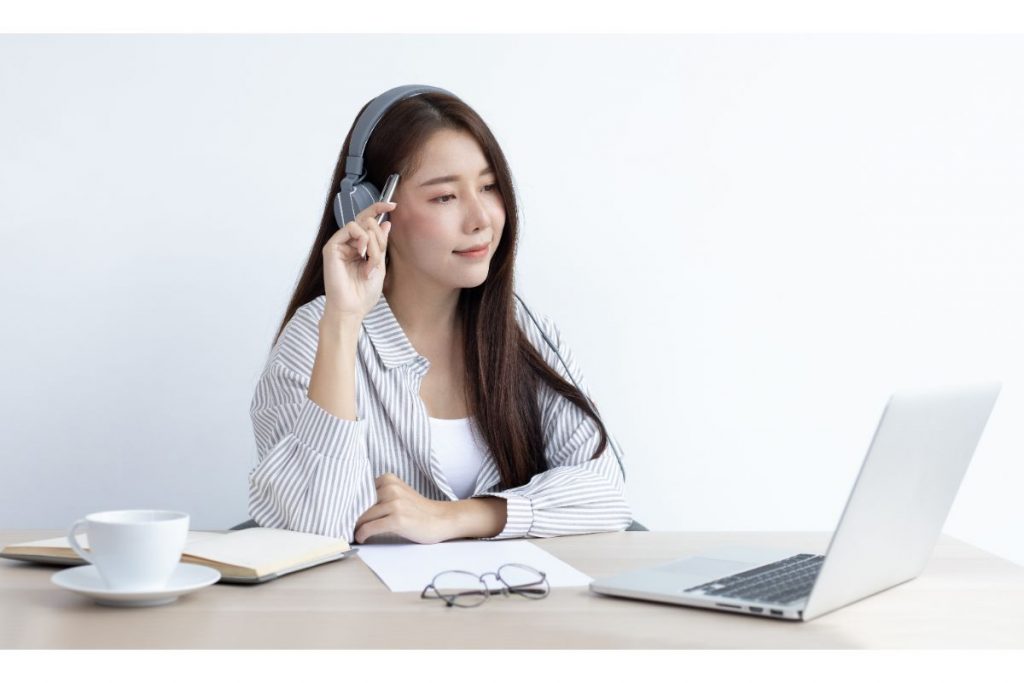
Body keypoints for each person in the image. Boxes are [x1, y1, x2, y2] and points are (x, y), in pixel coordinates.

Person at [247, 88, 633, 544]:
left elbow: (607, 493)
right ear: (367, 209)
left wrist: (455, 517)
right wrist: (343, 323)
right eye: (445, 197)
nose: (480, 219)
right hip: (370, 611)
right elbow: (316, 528)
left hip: (504, 606)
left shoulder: (524, 333)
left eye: (489, 188)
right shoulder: (316, 339)